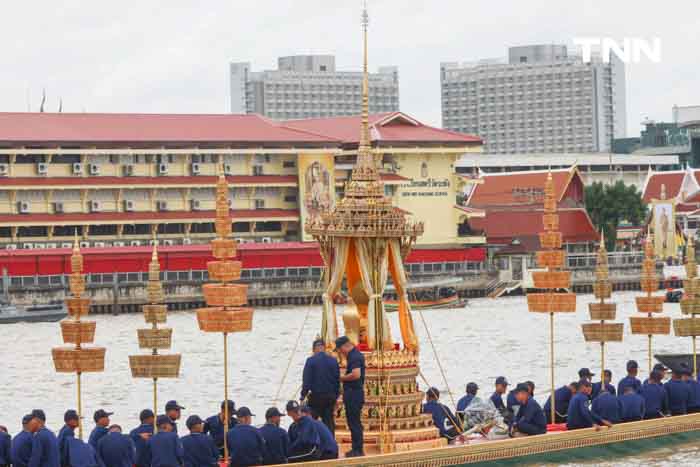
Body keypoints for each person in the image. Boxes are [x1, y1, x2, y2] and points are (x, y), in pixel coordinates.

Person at [301, 339, 340, 434]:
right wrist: (335, 396)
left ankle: (311, 444)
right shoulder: (333, 361)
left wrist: (303, 396)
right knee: (329, 422)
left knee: (310, 421)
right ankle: (330, 445)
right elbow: (337, 380)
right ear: (325, 348)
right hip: (330, 397)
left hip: (316, 397)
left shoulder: (310, 361)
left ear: (314, 349)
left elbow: (306, 381)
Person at [336, 336, 365, 458]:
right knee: (353, 422)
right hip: (353, 393)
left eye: (339, 350)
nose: (340, 353)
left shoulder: (354, 356)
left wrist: (341, 378)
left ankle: (357, 450)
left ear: (344, 346)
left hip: (354, 394)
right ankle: (356, 448)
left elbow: (356, 374)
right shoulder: (354, 355)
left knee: (354, 423)